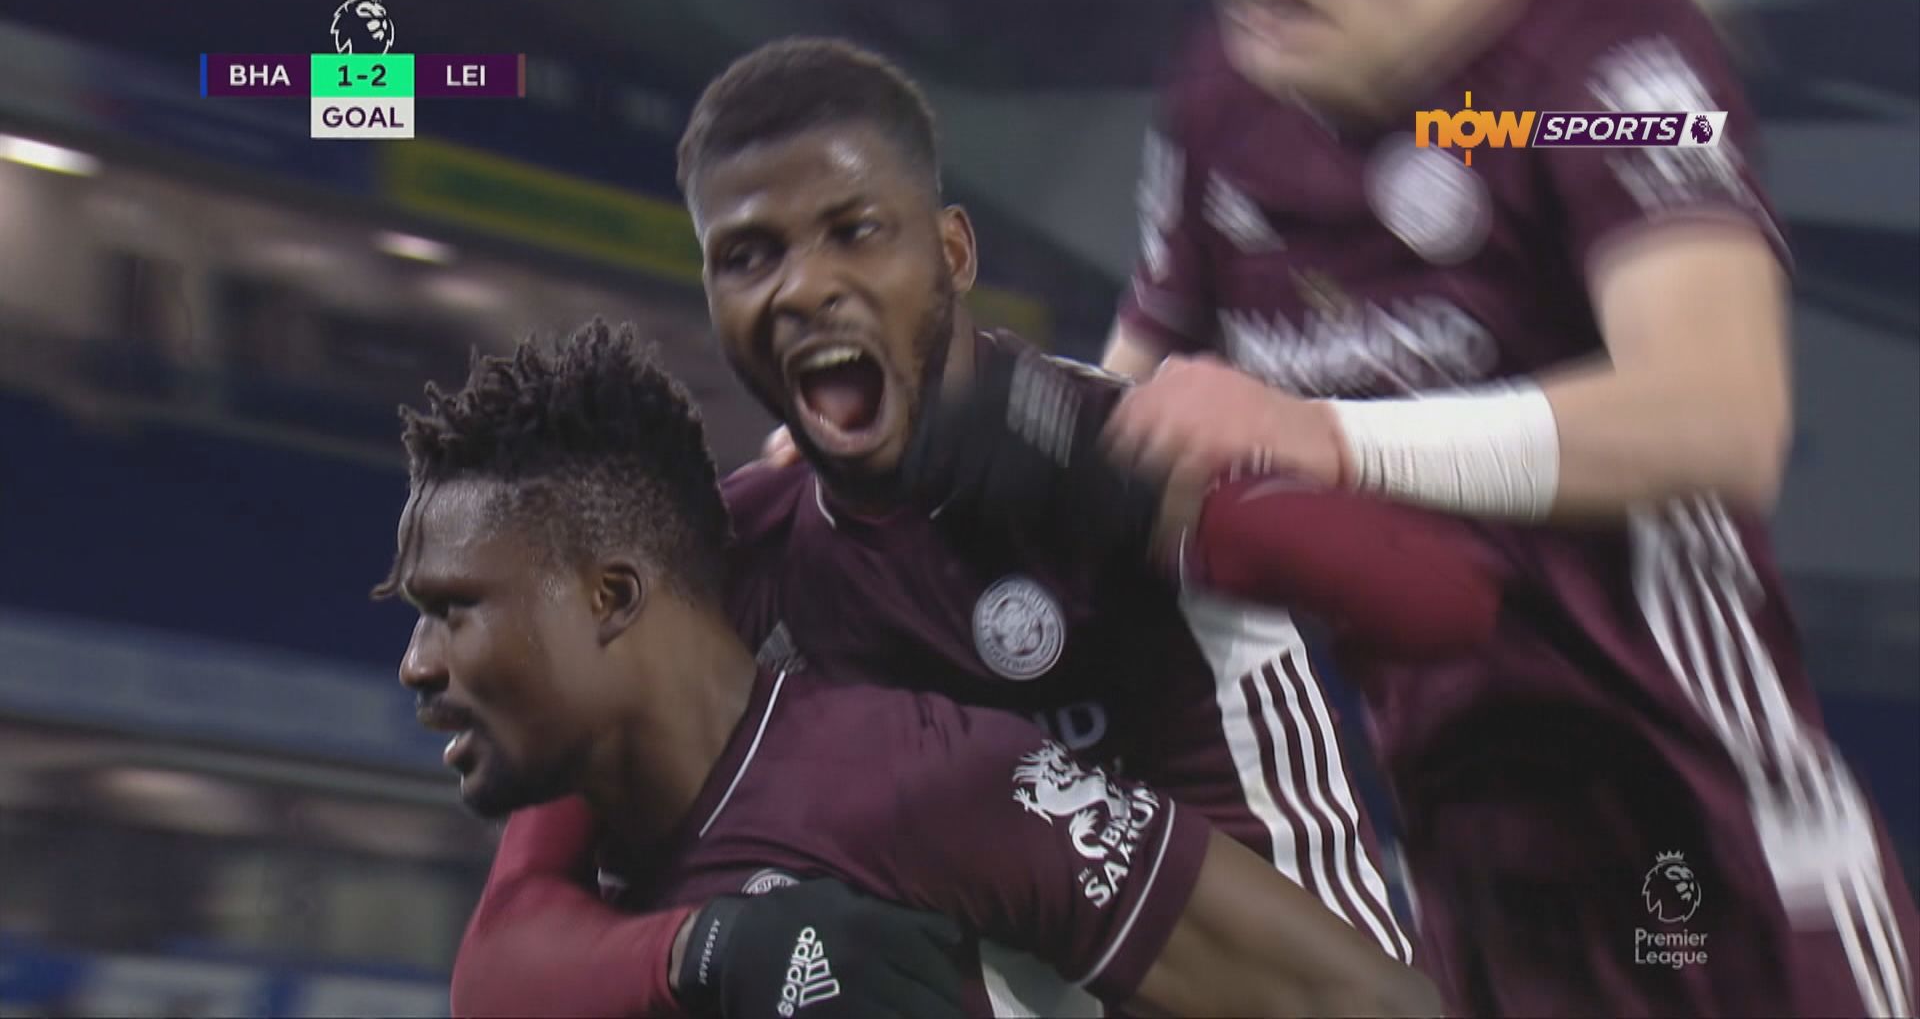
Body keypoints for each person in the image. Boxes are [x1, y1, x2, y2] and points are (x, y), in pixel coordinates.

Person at [447, 38, 1504, 1018]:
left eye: (855, 232)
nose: (805, 288)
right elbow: (502, 958)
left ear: (951, 251)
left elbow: (1449, 601)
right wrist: (711, 947)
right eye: (749, 256)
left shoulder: (1123, 445)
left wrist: (1126, 489)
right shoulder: (722, 559)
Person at [1091, 0, 1917, 1015]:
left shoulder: (1598, 68)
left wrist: (1328, 437)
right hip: (1468, 880)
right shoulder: (1221, 105)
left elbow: (1720, 411)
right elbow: (1124, 423)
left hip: (1713, 858)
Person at [381, 320, 1443, 1018]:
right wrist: (719, 950)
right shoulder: (597, 814)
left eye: (451, 611)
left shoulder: (926, 780)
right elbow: (492, 977)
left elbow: (1363, 1001)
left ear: (612, 598)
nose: (416, 664)